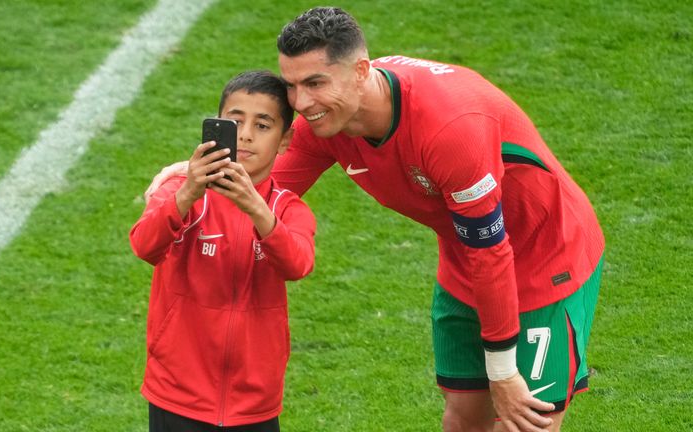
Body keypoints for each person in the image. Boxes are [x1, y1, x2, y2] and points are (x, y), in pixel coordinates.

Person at [145, 7, 605, 432]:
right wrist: (194, 176)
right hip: (467, 263)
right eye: (292, 85)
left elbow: (492, 249)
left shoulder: (450, 130)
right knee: (463, 419)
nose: (301, 104)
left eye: (316, 83)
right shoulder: (327, 122)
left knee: (523, 425)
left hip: (547, 257)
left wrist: (503, 371)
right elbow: (263, 190)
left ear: (362, 71)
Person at [130, 70, 316, 432]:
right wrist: (186, 195)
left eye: (263, 125)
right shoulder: (181, 193)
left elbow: (298, 264)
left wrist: (255, 209)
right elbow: (144, 245)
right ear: (218, 124)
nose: (246, 134)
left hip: (255, 402)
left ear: (284, 140)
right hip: (177, 394)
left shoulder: (287, 208)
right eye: (236, 120)